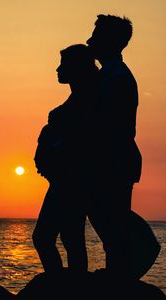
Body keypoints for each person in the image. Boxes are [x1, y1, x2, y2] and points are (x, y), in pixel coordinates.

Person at [85, 14, 142, 281]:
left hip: (114, 163)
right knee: (110, 224)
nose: (89, 40)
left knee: (113, 226)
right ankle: (117, 278)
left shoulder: (117, 78)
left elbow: (111, 128)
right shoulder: (110, 75)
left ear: (110, 41)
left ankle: (118, 281)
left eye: (96, 36)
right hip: (112, 161)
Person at [33, 44, 99, 273]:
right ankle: (65, 285)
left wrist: (53, 136)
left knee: (52, 237)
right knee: (66, 238)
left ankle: (64, 287)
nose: (58, 69)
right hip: (64, 180)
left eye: (64, 64)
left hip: (73, 180)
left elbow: (80, 138)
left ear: (77, 67)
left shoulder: (88, 99)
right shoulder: (76, 99)